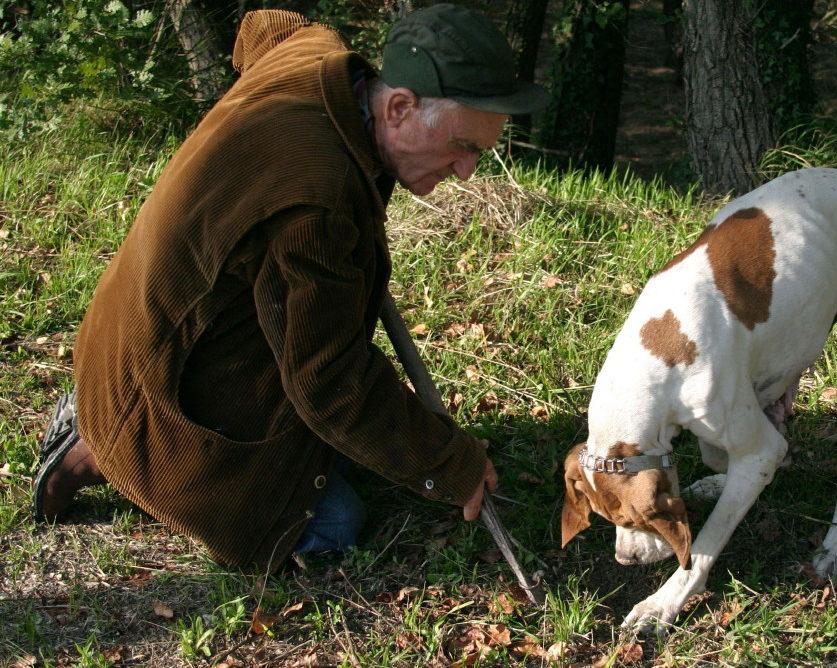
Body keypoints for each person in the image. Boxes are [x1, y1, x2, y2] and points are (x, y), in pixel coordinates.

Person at [31, 4, 548, 570]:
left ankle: (109, 417)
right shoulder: (316, 201)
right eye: (463, 146)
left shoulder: (317, 57)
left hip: (139, 331)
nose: (466, 171)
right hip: (153, 379)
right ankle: (100, 450)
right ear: (398, 106)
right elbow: (326, 379)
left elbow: (266, 28)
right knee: (329, 522)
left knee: (356, 449)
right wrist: (450, 463)